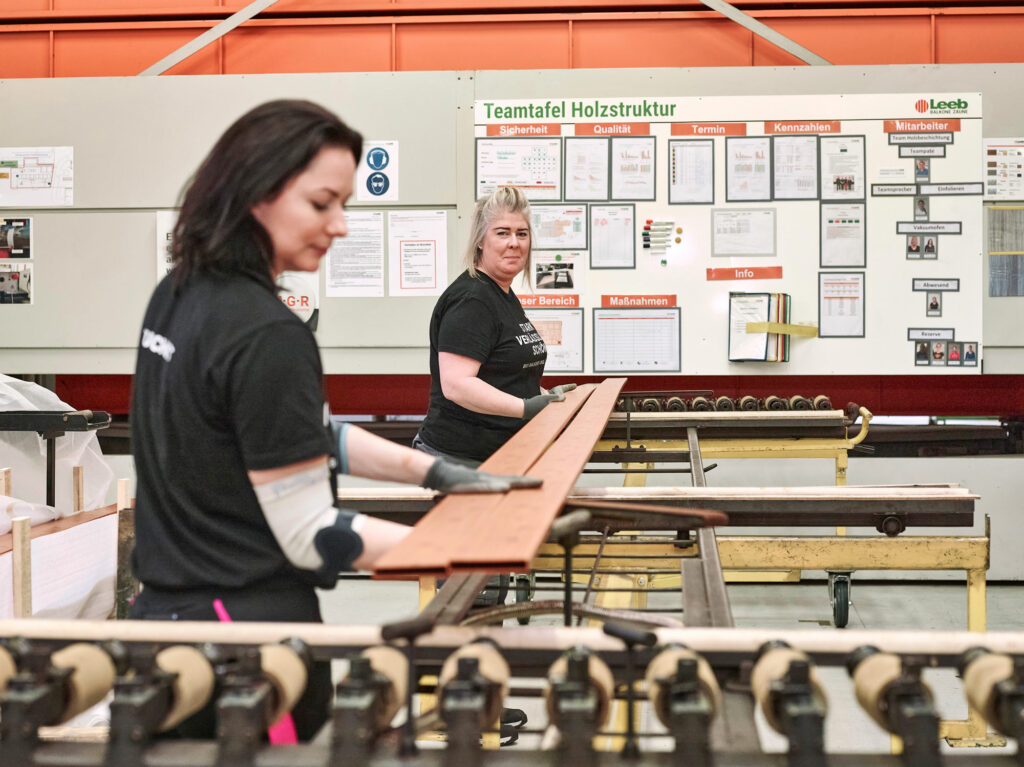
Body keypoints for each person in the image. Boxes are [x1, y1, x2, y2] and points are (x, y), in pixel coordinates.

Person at [130, 100, 539, 741]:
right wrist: (455, 554)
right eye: (322, 203)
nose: (341, 225)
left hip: (163, 624)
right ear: (256, 192)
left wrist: (433, 472)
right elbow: (307, 533)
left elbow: (295, 434)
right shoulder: (268, 334)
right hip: (245, 647)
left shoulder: (179, 292)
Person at [413, 186, 574, 466]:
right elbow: (456, 385)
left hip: (499, 455)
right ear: (480, 240)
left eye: (522, 234)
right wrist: (525, 407)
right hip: (458, 460)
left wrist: (543, 396)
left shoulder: (502, 295)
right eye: (502, 233)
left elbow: (501, 375)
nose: (514, 243)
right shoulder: (472, 299)